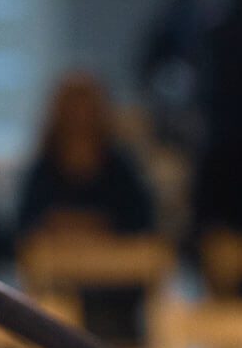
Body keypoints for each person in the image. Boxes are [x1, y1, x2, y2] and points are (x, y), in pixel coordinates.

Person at [17, 72, 154, 241]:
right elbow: (24, 230)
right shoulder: (43, 170)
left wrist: (97, 228)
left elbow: (143, 226)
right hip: (56, 262)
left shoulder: (121, 168)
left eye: (87, 107)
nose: (80, 116)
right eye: (73, 107)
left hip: (114, 262)